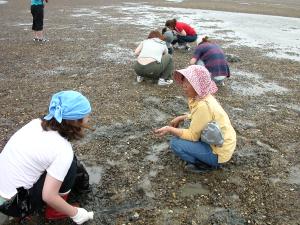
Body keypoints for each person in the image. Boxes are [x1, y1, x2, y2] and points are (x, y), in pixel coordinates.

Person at [0, 91, 94, 224]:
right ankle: (55, 211)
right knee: (70, 165)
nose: (88, 119)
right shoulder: (62, 150)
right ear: (76, 121)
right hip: (14, 205)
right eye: (86, 116)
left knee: (60, 163)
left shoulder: (35, 123)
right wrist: (76, 213)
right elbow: (48, 196)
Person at [154, 65, 236, 173]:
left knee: (175, 143)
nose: (184, 85)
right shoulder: (204, 96)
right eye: (183, 82)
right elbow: (198, 116)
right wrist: (182, 117)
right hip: (222, 142)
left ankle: (205, 165)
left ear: (198, 86)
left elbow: (193, 136)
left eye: (187, 83)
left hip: (219, 153)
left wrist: (169, 129)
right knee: (183, 134)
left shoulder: (203, 106)